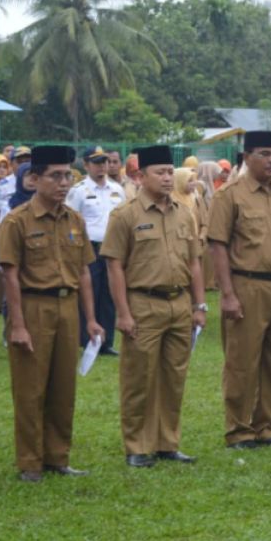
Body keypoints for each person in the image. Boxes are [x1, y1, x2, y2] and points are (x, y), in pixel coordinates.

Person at [0, 145, 103, 481]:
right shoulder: (17, 220)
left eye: (68, 176)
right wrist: (17, 325)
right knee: (31, 389)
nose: (63, 183)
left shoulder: (74, 219)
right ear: (34, 178)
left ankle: (58, 457)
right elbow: (10, 275)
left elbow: (84, 272)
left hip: (67, 306)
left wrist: (90, 318)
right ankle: (30, 462)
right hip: (33, 306)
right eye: (55, 176)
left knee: (63, 387)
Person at [207, 130, 271, 450]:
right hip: (248, 285)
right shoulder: (230, 195)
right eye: (264, 154)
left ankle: (265, 426)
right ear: (247, 156)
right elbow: (217, 246)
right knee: (242, 361)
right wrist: (227, 294)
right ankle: (239, 430)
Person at [102, 145, 206, 468]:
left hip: (179, 303)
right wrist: (122, 312)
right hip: (143, 303)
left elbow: (194, 263)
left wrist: (200, 304)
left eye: (168, 172)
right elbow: (114, 266)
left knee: (174, 377)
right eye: (159, 172)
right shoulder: (126, 214)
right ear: (140, 176)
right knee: (138, 378)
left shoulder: (184, 212)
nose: (166, 178)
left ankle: (167, 442)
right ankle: (136, 445)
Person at [65, 146, 126, 356]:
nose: (102, 167)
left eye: (105, 162)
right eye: (97, 162)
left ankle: (106, 341)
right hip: (89, 246)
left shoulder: (117, 189)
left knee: (109, 294)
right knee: (89, 292)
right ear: (86, 164)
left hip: (112, 248)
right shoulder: (79, 190)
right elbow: (70, 221)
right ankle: (87, 338)